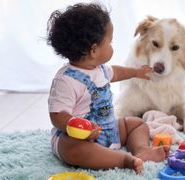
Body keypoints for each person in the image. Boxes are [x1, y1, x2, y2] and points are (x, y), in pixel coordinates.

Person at [46, 3, 170, 174]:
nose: (112, 45)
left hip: (109, 129)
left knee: (136, 124)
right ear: (94, 50)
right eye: (110, 41)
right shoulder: (66, 80)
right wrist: (83, 128)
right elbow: (57, 115)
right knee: (74, 149)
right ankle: (124, 160)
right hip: (79, 139)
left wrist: (136, 72)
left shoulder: (100, 69)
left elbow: (117, 73)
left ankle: (141, 149)